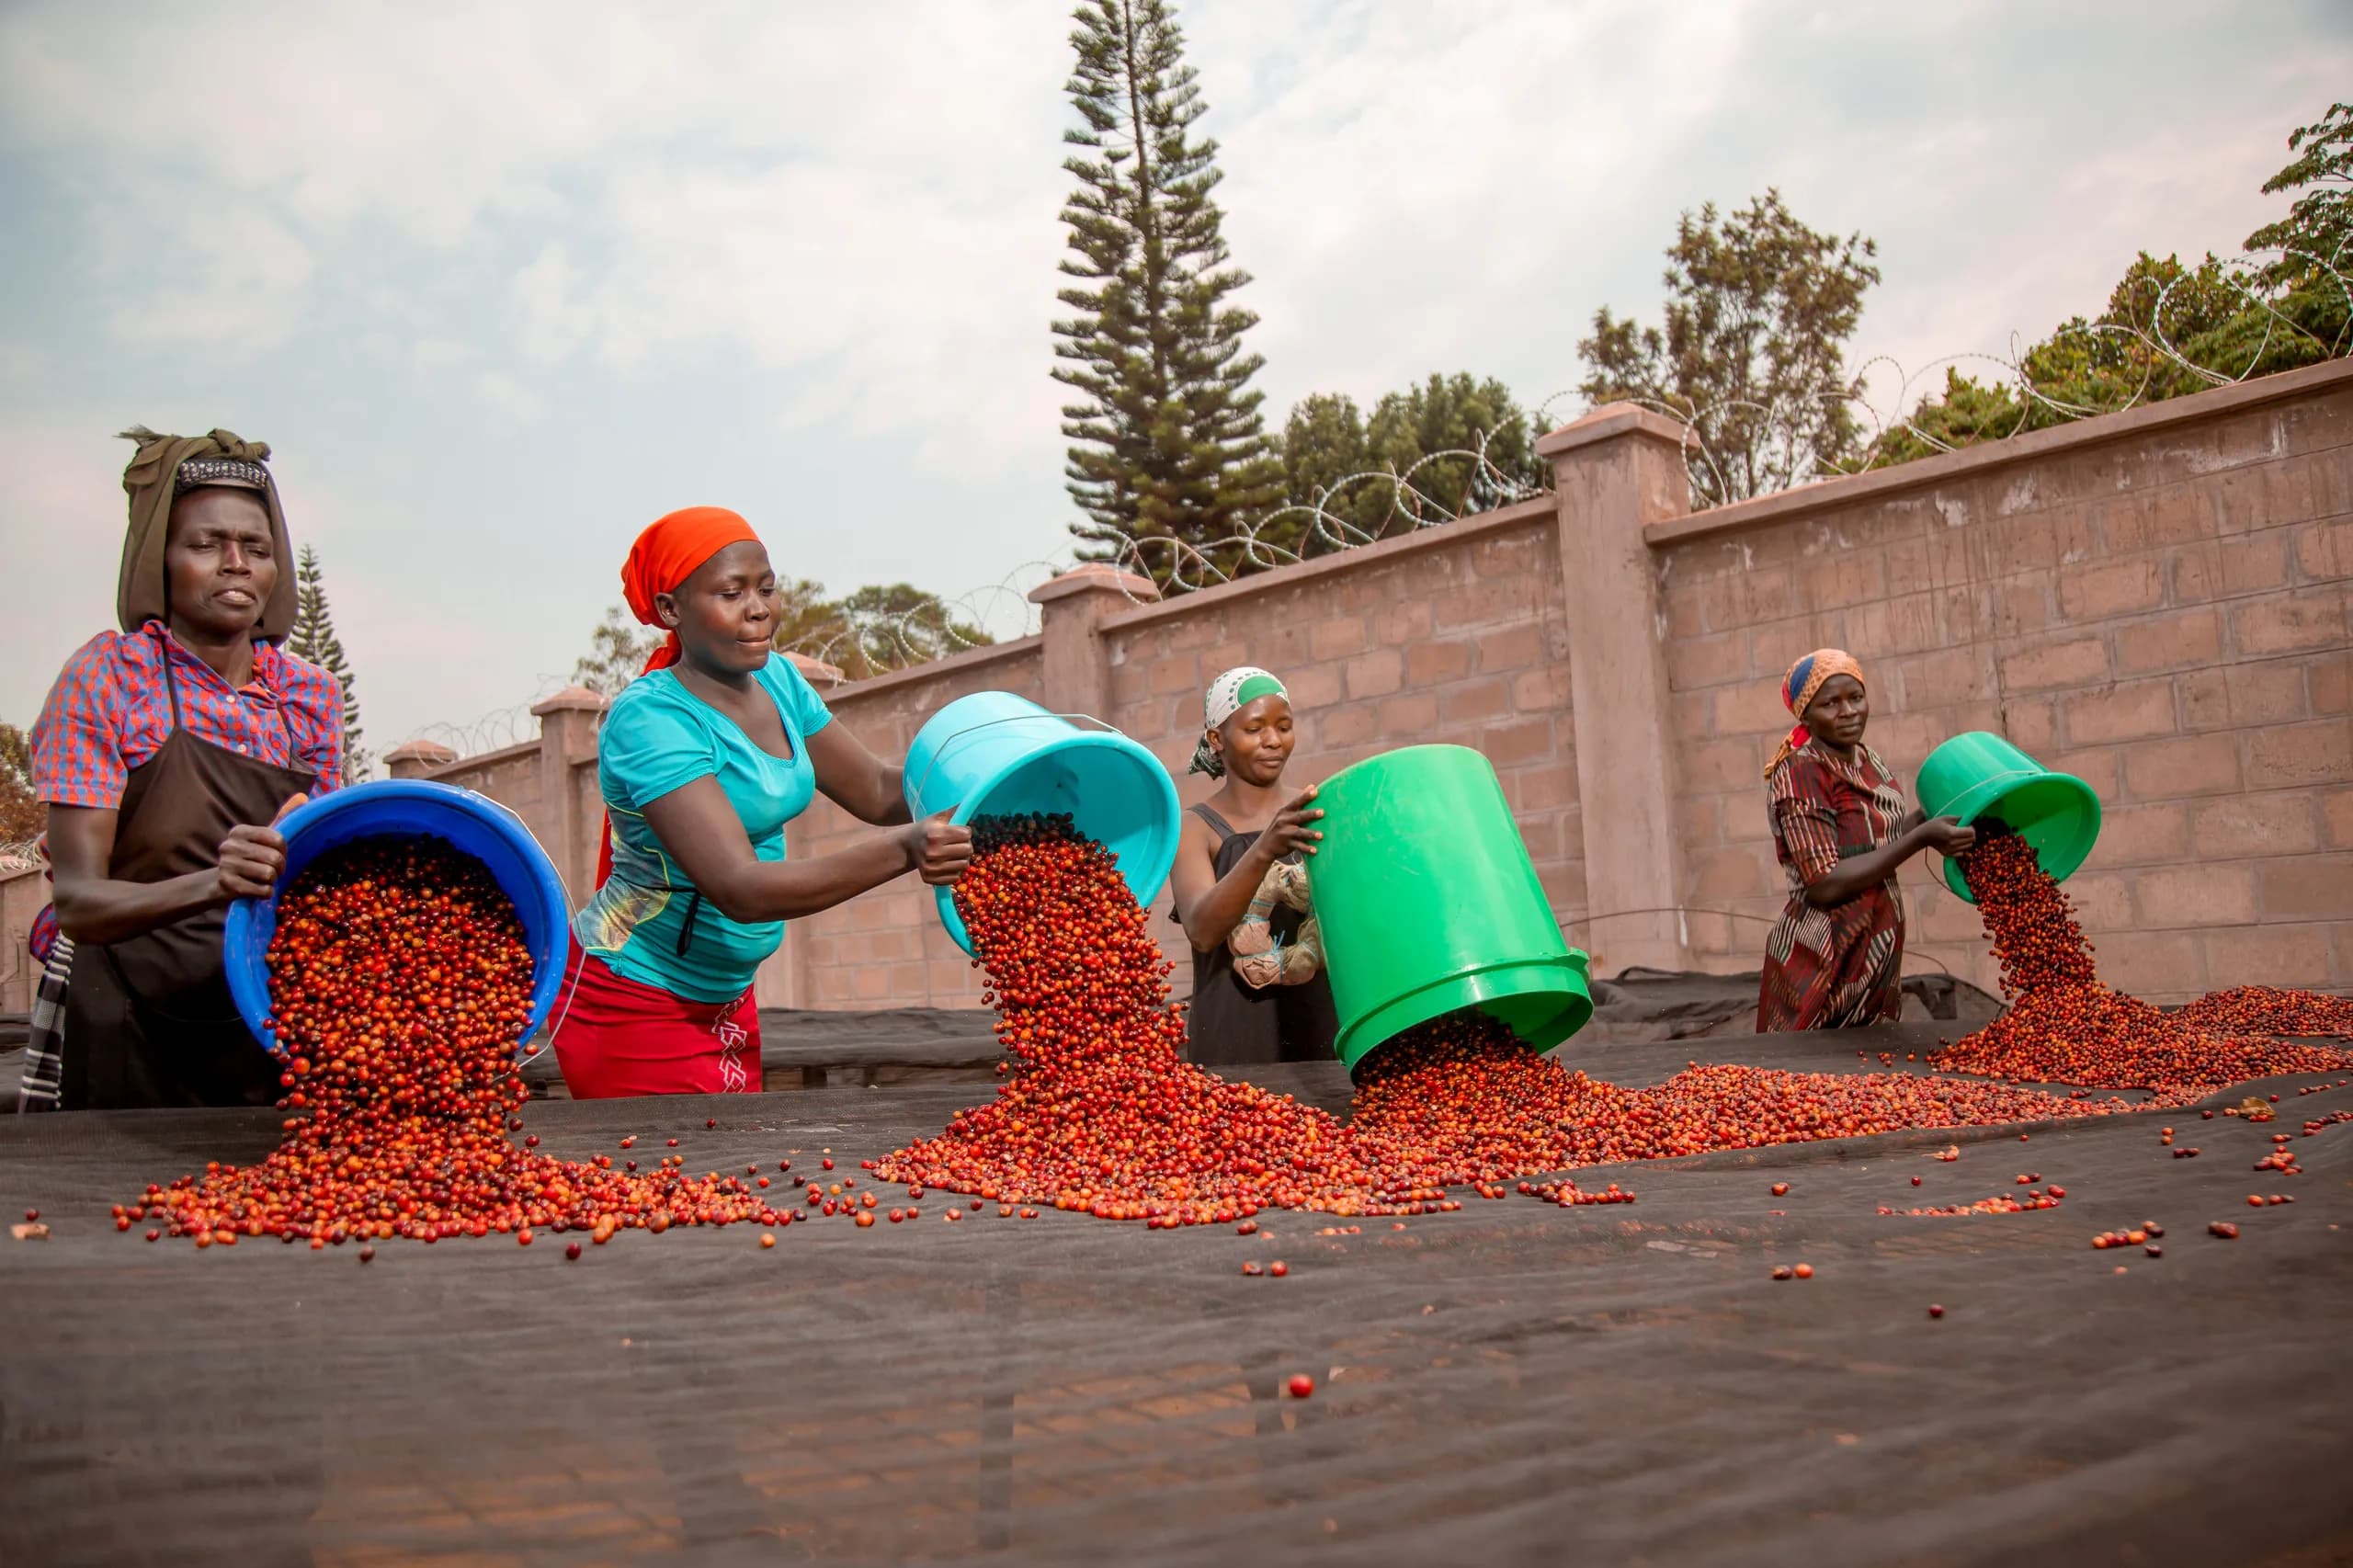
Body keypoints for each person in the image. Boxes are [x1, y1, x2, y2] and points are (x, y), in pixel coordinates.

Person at [549, 507, 971, 1097]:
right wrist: (907, 849)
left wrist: (983, 783)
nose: (759, 609)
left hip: (725, 995)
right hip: (635, 998)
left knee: (732, 1179)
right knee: (685, 1182)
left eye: (767, 588)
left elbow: (876, 789)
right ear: (671, 609)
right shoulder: (651, 720)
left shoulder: (777, 680)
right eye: (732, 592)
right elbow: (739, 888)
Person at [33, 428, 343, 1109]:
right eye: (206, 545)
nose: (236, 564)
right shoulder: (111, 677)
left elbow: (317, 881)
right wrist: (217, 882)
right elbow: (78, 904)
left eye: (256, 549)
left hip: (259, 1019)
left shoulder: (308, 695)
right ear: (161, 561)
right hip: (123, 1013)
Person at [1756, 649, 1974, 1033]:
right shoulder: (1802, 773)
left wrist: (1928, 820)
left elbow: (1879, 842)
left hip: (1873, 946)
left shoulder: (1867, 759)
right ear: (1805, 714)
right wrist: (1922, 837)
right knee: (1813, 1081)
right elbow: (1824, 883)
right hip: (1825, 956)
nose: (1848, 711)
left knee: (1869, 1073)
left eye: (1855, 698)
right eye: (1830, 704)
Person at [1166, 667, 1338, 1066]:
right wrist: (1264, 849)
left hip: (1322, 1029)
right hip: (1235, 1038)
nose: (1273, 741)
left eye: (1284, 726)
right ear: (1217, 739)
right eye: (1255, 728)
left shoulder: (1318, 808)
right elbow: (1202, 930)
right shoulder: (1194, 828)